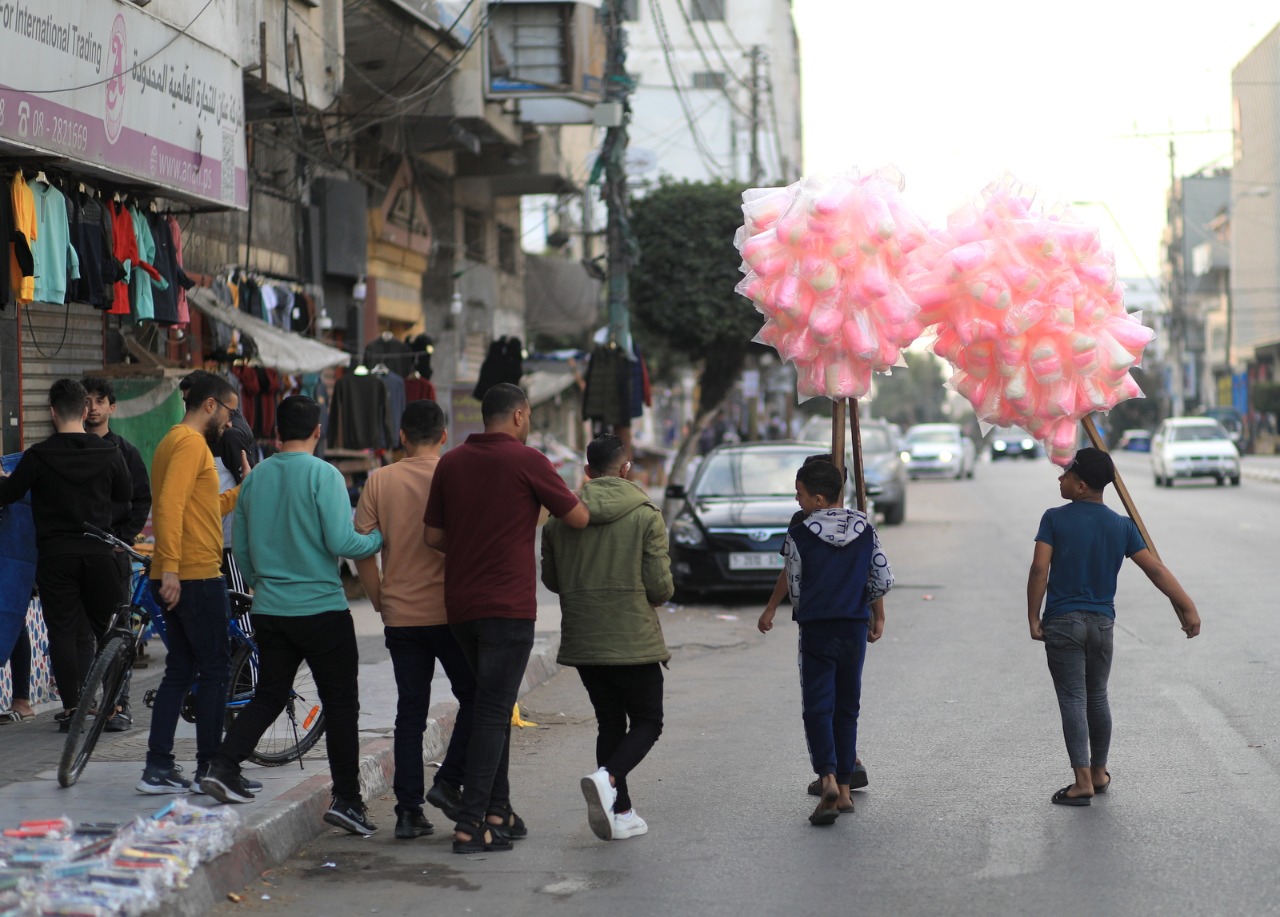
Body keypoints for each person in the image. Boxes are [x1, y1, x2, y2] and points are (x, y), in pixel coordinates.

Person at [201, 396, 384, 837]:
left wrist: (265, 583)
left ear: (277, 433)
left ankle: (223, 765)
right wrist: (379, 538)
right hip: (322, 610)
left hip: (270, 611)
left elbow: (242, 552)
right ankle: (347, 801)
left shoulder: (256, 479)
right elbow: (342, 541)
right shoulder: (325, 475)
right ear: (318, 431)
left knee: (268, 695)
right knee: (341, 705)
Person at [424, 383, 590, 854]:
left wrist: (471, 545)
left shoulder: (452, 462)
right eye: (529, 415)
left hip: (461, 606)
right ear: (518, 416)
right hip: (507, 607)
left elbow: (433, 537)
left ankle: (499, 811)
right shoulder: (529, 461)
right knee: (494, 711)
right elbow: (577, 518)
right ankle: (471, 824)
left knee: (488, 706)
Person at [1027, 447, 1201, 806]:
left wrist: (1033, 616)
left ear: (1081, 486)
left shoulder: (1053, 519)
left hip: (1062, 622)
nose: (1060, 479)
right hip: (1102, 624)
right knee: (1097, 696)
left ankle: (1081, 782)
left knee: (1073, 699)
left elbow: (1039, 569)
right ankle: (1099, 772)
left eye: (1066, 475)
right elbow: (1155, 569)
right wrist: (1187, 607)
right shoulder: (1122, 526)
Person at [354, 399, 477, 840]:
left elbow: (362, 547)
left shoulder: (379, 480)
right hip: (451, 614)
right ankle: (449, 781)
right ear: (444, 436)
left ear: (402, 437)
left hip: (401, 615)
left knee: (410, 712)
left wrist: (379, 597)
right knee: (477, 699)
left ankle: (408, 812)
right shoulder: (456, 474)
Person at [541, 434, 673, 842]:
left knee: (610, 722)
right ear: (626, 469)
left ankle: (621, 811)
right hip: (633, 638)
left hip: (584, 639)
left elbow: (552, 580)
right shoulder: (646, 514)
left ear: (587, 471)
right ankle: (609, 778)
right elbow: (660, 587)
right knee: (648, 720)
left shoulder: (560, 520)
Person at [758, 459, 892, 826]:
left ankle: (828, 777)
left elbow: (795, 586)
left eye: (799, 494)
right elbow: (882, 578)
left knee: (818, 707)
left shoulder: (799, 534)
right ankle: (845, 791)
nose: (796, 500)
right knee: (847, 707)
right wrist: (869, 610)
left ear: (818, 499)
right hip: (854, 627)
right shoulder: (864, 527)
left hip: (817, 627)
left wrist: (806, 609)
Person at [0, 379, 131, 730]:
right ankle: (113, 706)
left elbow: (9, 494)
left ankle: (73, 709)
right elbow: (124, 494)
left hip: (56, 557)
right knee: (108, 631)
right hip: (99, 552)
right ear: (85, 411)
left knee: (62, 632)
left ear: (52, 412)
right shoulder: (109, 451)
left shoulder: (38, 456)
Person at [138, 371, 244, 793]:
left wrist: (242, 491)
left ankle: (158, 767)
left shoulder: (173, 442)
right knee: (216, 669)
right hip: (194, 575)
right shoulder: (189, 443)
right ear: (210, 405)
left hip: (185, 572)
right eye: (230, 411)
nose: (231, 422)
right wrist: (170, 568)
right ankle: (210, 769)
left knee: (181, 669)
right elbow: (169, 505)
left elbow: (201, 507)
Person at [83, 376, 152, 732]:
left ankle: (119, 704)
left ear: (112, 407)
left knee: (117, 632)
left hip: (113, 556)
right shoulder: (66, 448)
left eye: (99, 401)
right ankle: (79, 707)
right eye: (86, 401)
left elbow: (142, 500)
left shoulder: (125, 452)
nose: (92, 407)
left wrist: (121, 538)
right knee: (78, 634)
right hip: (74, 555)